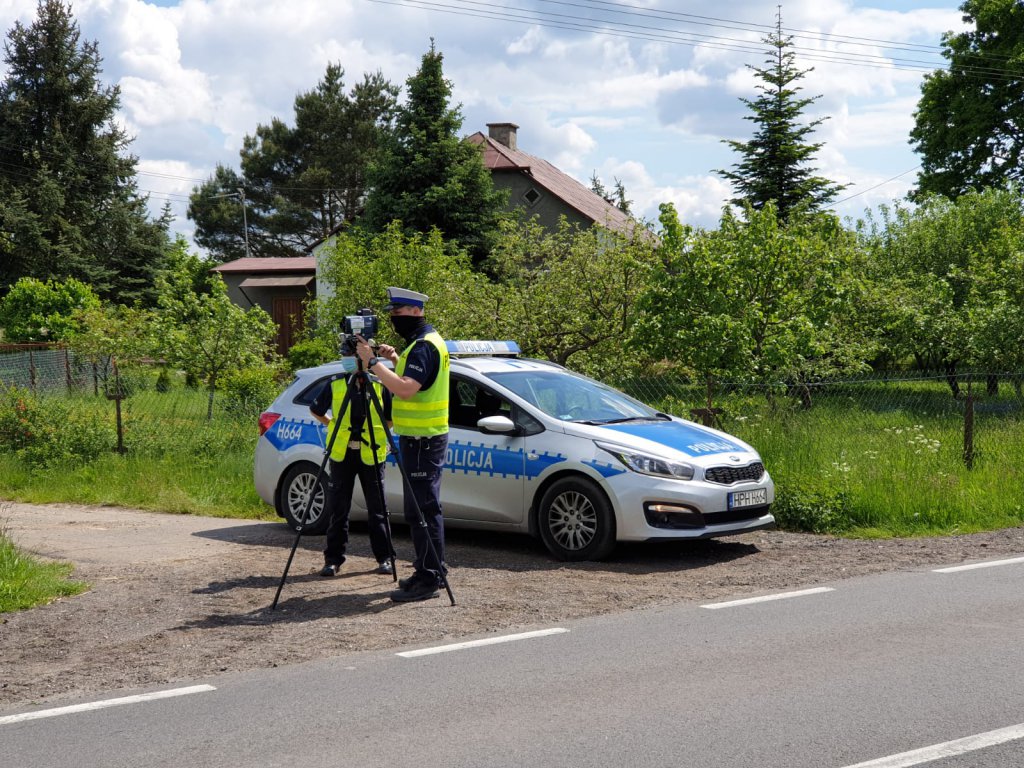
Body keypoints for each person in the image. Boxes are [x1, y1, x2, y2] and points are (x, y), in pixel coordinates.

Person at [356, 286, 450, 603]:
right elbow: (416, 382)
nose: (393, 318)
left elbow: (407, 389)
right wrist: (393, 359)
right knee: (418, 510)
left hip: (424, 440)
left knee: (424, 511)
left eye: (396, 313)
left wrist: (372, 364)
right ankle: (427, 568)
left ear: (413, 311)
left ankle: (430, 577)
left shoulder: (424, 346)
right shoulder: (420, 344)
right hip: (418, 439)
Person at [309, 366, 394, 577]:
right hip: (342, 453)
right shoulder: (336, 383)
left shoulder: (380, 384)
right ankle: (332, 560)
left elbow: (389, 419)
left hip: (371, 454)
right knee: (339, 509)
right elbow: (316, 409)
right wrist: (333, 426)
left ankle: (385, 558)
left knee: (378, 509)